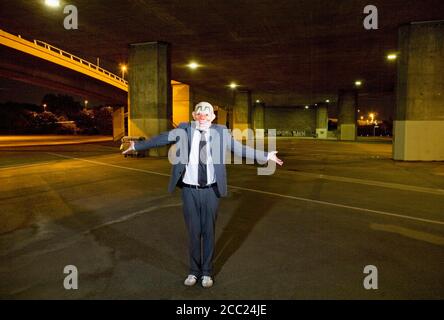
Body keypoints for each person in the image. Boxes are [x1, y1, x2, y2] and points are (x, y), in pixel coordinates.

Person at [122, 101, 283, 288]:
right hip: (190, 190)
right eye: (199, 113)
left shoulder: (221, 132)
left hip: (211, 191)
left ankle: (206, 272)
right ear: (193, 115)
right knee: (193, 232)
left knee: (208, 232)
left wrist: (266, 156)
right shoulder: (184, 129)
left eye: (207, 114)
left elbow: (240, 149)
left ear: (213, 117)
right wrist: (137, 146)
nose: (202, 117)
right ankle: (193, 271)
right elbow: (162, 138)